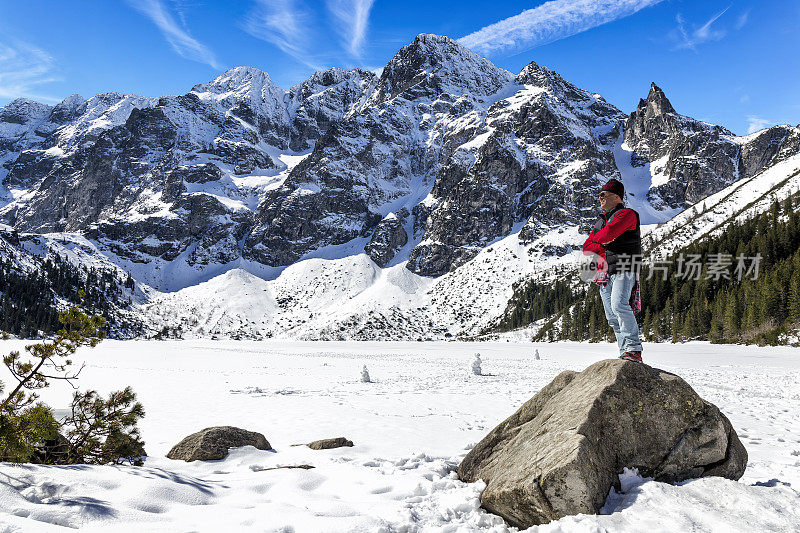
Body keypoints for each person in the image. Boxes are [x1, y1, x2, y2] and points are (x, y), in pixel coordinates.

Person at [582, 178, 644, 363]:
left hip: (625, 267)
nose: (599, 198)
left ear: (617, 196)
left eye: (603, 194)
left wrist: (602, 239)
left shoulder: (627, 214)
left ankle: (633, 349)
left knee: (619, 305)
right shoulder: (602, 220)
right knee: (612, 317)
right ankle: (624, 351)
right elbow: (587, 247)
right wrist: (604, 243)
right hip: (604, 273)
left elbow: (607, 235)